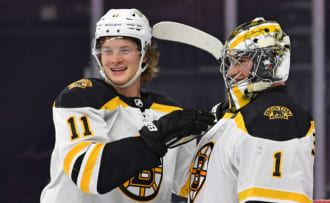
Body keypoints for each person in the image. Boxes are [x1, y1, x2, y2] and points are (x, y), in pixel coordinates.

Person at [40, 8, 214, 203]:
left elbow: (190, 185)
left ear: (145, 55)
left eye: (125, 49)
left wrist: (225, 128)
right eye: (107, 50)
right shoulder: (80, 97)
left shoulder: (169, 111)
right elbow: (90, 174)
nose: (115, 59)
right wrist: (155, 135)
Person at [188, 17, 315, 203]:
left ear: (268, 63)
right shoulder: (233, 116)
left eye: (240, 61)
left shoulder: (274, 117)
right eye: (230, 63)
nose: (231, 72)